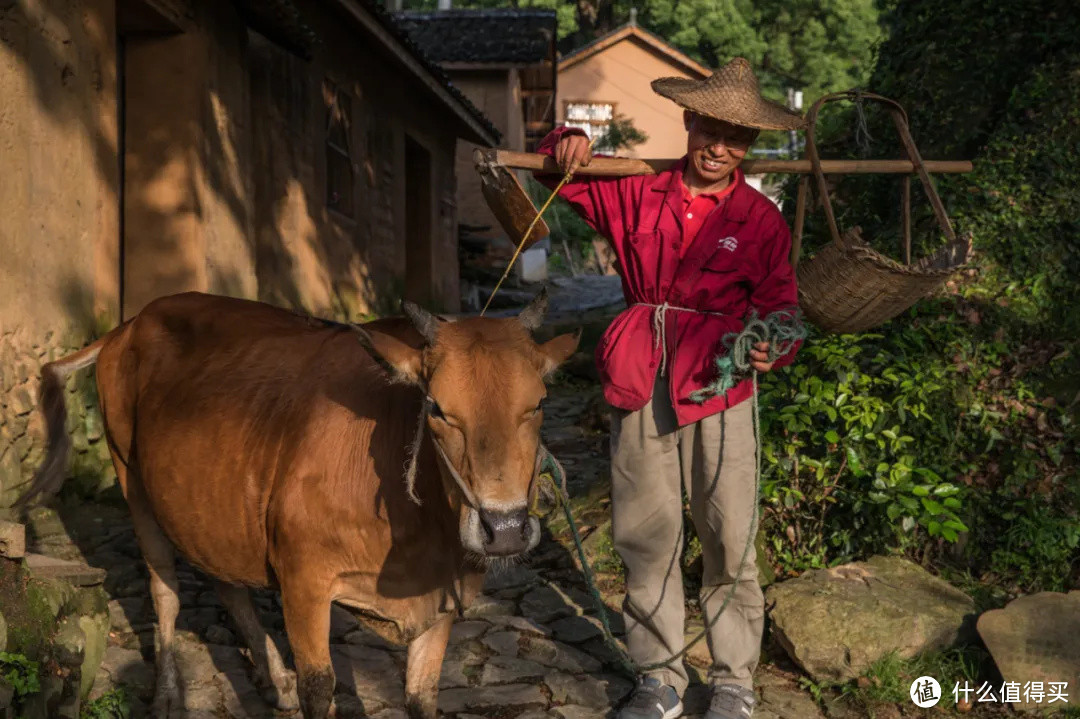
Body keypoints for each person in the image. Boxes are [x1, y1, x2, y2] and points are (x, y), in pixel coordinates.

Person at [533, 57, 805, 719]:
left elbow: (783, 309)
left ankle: (734, 680)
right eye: (711, 128)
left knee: (727, 532)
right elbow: (559, 174)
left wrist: (775, 342)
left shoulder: (759, 220)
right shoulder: (636, 190)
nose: (720, 146)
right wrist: (562, 141)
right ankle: (660, 679)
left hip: (722, 383)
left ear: (750, 145)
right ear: (689, 121)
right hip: (639, 376)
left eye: (737, 137)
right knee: (645, 533)